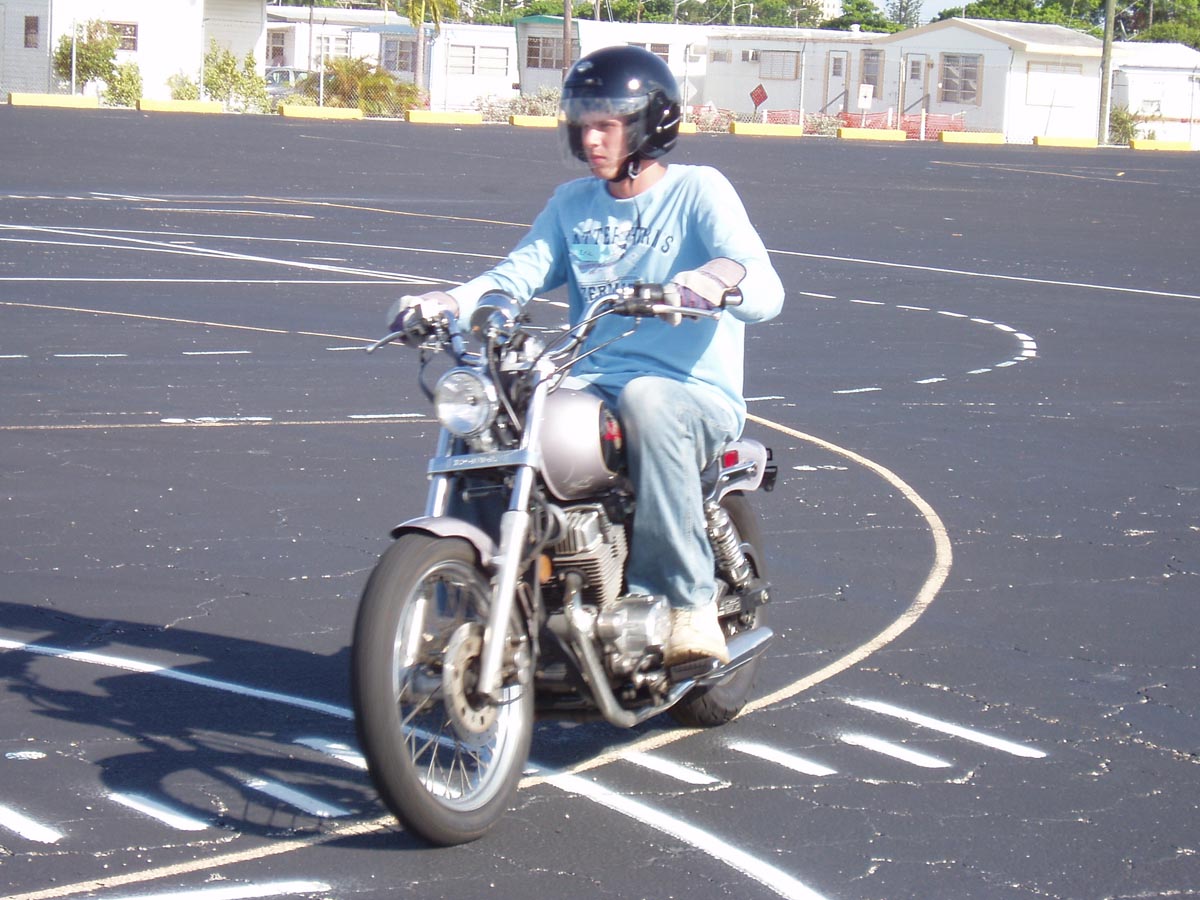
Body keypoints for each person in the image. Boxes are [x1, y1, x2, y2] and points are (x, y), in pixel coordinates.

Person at [389, 45, 784, 667]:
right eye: (582, 124)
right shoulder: (573, 204)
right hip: (591, 387)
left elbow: (762, 286)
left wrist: (709, 283)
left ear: (649, 124)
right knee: (492, 409)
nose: (591, 138)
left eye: (607, 124)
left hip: (690, 395)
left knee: (646, 399)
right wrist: (445, 302)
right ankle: (478, 603)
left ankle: (685, 603)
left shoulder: (698, 191)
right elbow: (513, 277)